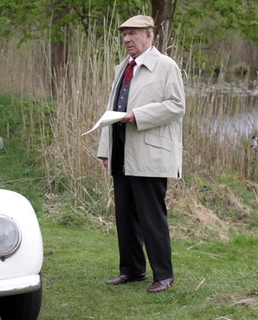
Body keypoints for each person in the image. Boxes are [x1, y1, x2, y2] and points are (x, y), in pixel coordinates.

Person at [96, 15, 185, 293]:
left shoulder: (166, 66)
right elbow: (112, 108)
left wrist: (139, 116)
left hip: (150, 155)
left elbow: (176, 105)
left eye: (132, 34)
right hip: (122, 151)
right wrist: (105, 149)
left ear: (149, 35)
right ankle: (132, 270)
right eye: (124, 35)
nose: (126, 40)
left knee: (151, 216)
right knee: (125, 215)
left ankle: (164, 275)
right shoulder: (123, 67)